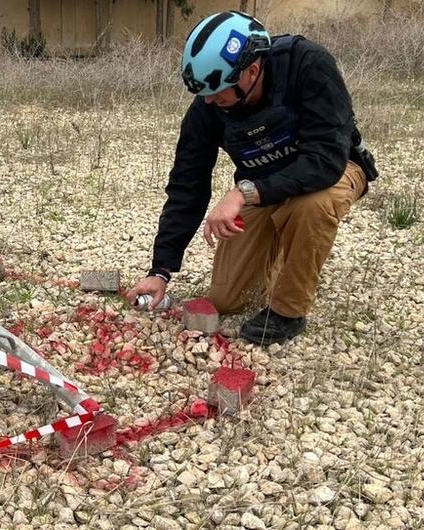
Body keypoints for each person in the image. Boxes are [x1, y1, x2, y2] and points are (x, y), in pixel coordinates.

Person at [125, 11, 379, 346]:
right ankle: (281, 251)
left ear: (252, 71)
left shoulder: (308, 65)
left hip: (332, 171)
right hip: (263, 184)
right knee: (229, 299)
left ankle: (289, 311)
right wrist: (160, 270)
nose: (211, 101)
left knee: (309, 206)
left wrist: (243, 193)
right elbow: (187, 185)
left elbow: (324, 161)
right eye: (205, 94)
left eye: (219, 91)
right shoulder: (208, 105)